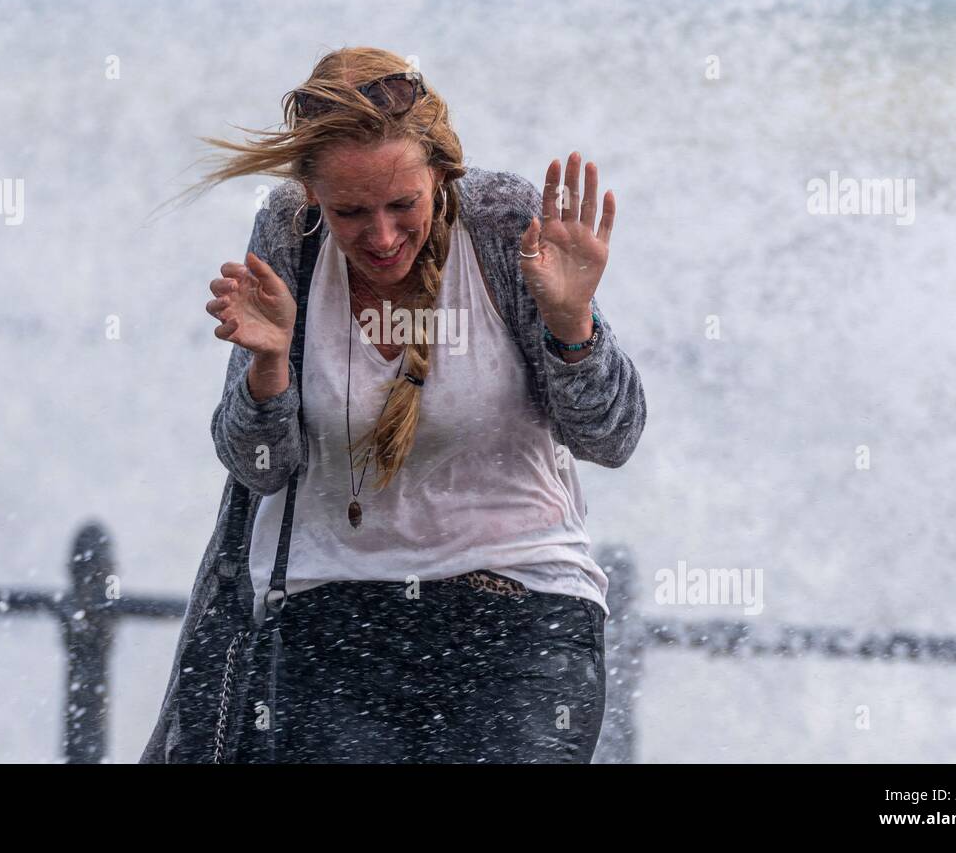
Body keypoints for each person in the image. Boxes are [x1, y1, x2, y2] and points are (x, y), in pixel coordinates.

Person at [142, 46, 647, 763]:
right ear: (313, 193)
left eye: (402, 205)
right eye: (351, 211)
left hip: (522, 611)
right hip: (333, 615)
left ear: (440, 173)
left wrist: (574, 328)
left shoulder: (505, 226)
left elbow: (613, 437)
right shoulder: (291, 235)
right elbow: (258, 467)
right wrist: (267, 368)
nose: (380, 237)